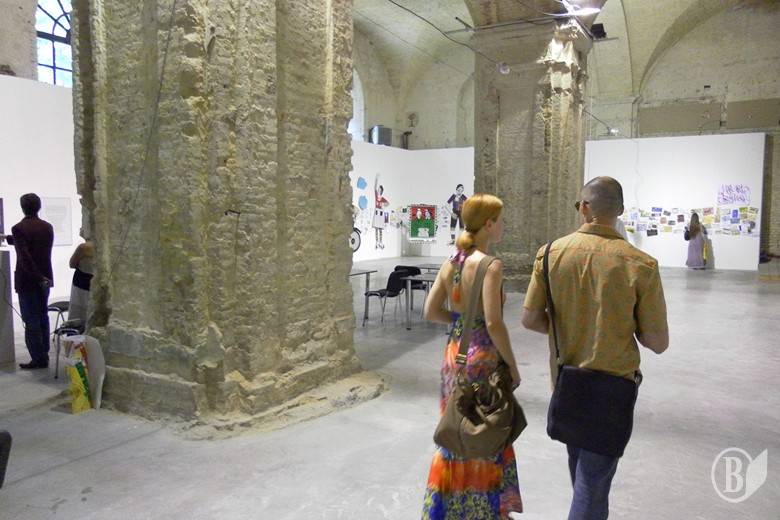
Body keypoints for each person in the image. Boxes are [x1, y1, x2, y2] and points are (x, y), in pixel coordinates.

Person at [521, 177, 669, 520]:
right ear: (620, 211)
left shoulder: (550, 254)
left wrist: (567, 327)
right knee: (592, 483)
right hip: (612, 390)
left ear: (585, 208)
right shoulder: (641, 264)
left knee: (584, 475)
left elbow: (530, 318)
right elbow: (658, 342)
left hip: (567, 382)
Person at [421, 193, 523, 519]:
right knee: (485, 430)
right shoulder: (490, 266)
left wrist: (461, 322)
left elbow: (431, 311)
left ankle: (450, 510)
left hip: (455, 355)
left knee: (456, 428)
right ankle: (483, 511)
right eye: (501, 221)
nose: (503, 226)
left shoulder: (451, 262)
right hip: (482, 358)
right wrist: (513, 365)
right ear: (489, 224)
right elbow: (494, 323)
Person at [2, 194, 54, 369]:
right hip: (46, 278)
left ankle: (38, 359)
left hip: (29, 280)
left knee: (31, 320)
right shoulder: (47, 226)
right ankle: (44, 354)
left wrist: (38, 277)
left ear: (22, 207)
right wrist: (9, 238)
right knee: (42, 316)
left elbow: (25, 257)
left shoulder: (19, 228)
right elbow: (34, 244)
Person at [68, 239, 94, 321]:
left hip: (81, 283)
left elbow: (72, 264)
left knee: (78, 314)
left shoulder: (83, 247)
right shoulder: (109, 247)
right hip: (98, 283)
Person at [373, 175, 389, 249]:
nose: (379, 191)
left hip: (380, 214)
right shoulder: (376, 197)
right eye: (378, 190)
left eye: (380, 190)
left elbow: (387, 203)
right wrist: (376, 179)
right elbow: (374, 188)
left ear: (381, 191)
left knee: (380, 229)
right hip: (377, 213)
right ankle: (377, 241)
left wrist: (383, 205)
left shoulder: (382, 199)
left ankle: (380, 241)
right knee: (376, 228)